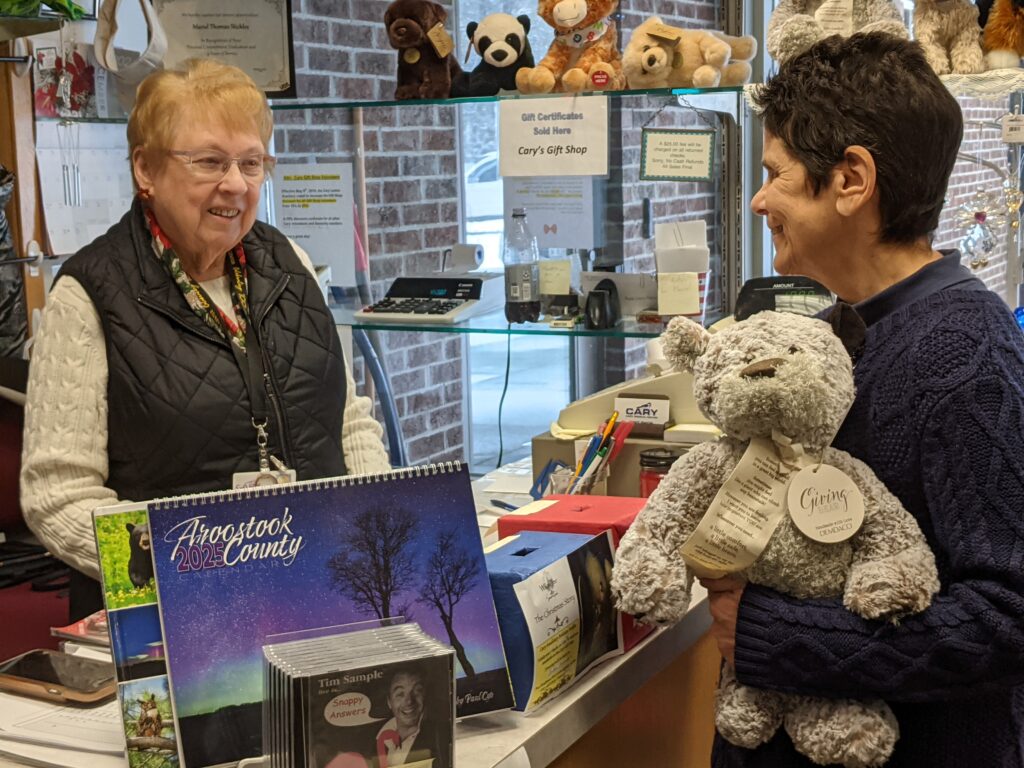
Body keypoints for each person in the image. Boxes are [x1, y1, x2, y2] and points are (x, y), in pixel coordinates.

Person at [702, 32, 1024, 767]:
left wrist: (772, 636)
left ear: (850, 179)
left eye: (775, 174)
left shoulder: (966, 357)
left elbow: (1009, 618)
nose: (758, 200)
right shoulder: (833, 335)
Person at [20, 59, 391, 621]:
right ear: (145, 169)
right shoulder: (88, 295)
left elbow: (348, 421)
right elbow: (57, 497)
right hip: (175, 621)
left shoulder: (291, 263)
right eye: (210, 162)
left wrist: (379, 528)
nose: (235, 184)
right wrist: (194, 571)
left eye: (251, 162)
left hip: (324, 593)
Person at [374, 668, 449, 768]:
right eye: (400, 694)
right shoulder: (372, 737)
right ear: (389, 702)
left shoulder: (441, 736)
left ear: (425, 696)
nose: (409, 701)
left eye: (417, 691)